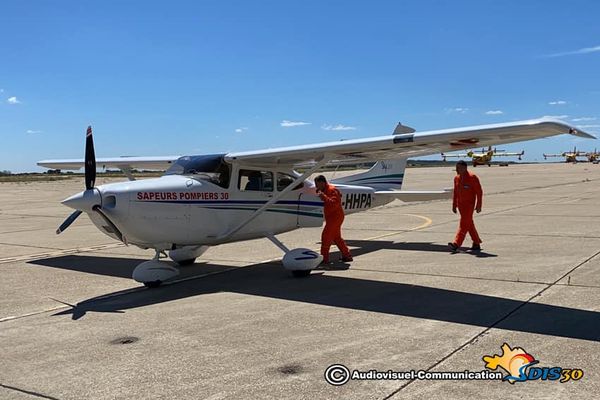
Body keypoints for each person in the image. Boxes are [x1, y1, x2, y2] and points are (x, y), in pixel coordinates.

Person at [314, 175, 353, 264]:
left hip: (335, 217)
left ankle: (324, 259)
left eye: (317, 184)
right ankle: (347, 256)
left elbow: (334, 203)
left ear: (322, 183)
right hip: (333, 217)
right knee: (336, 238)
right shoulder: (324, 190)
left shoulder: (332, 190)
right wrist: (320, 192)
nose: (316, 186)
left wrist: (323, 196)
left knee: (326, 237)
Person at [448, 160, 483, 252]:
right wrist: (454, 205)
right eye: (456, 167)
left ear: (464, 168)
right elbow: (455, 193)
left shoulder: (472, 177)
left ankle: (456, 243)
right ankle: (476, 243)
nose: (456, 169)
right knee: (469, 224)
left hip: (469, 206)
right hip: (461, 206)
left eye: (458, 167)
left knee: (463, 224)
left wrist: (478, 205)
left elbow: (479, 192)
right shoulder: (456, 178)